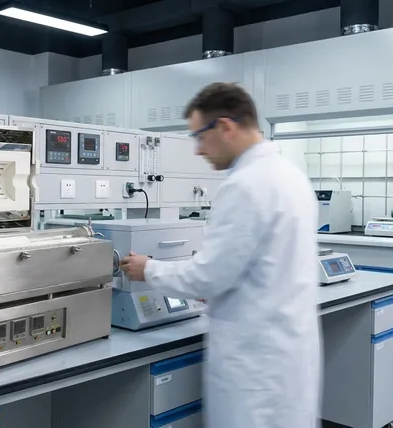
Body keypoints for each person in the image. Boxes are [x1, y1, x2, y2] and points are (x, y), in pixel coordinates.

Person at [120, 82, 321, 428]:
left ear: (225, 126)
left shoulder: (245, 185)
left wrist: (148, 269)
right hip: (288, 353)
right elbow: (257, 266)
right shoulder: (290, 176)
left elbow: (207, 277)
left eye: (199, 136)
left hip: (254, 364)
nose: (198, 149)